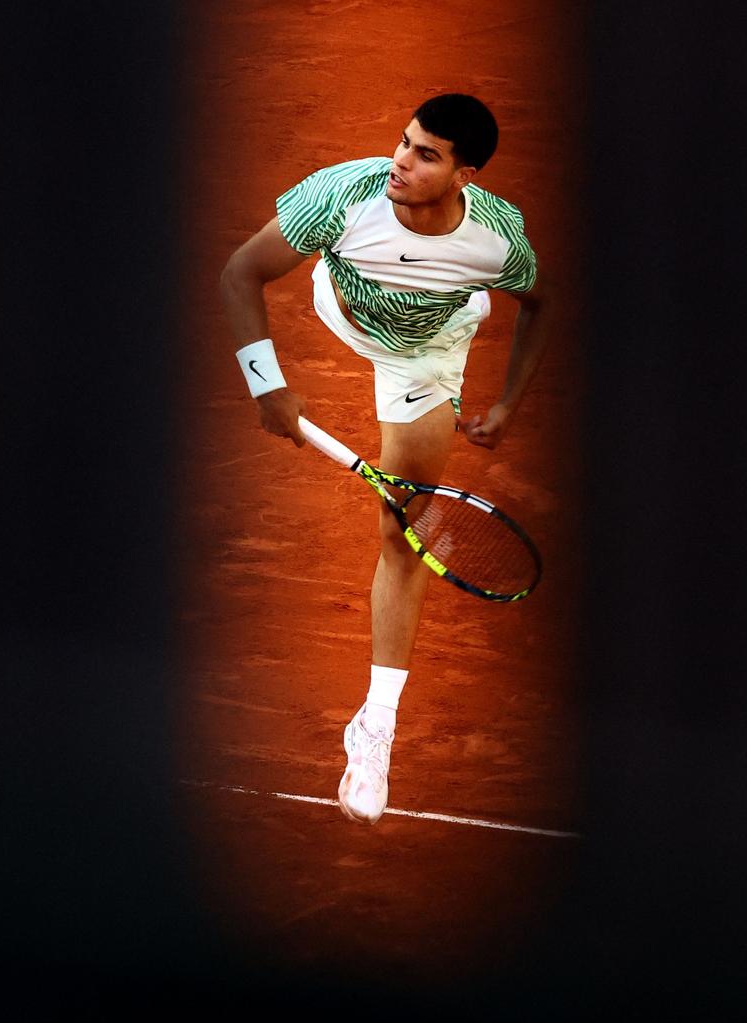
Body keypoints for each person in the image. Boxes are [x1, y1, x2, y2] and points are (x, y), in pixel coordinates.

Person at [217, 92, 551, 824]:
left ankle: (375, 727)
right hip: (347, 309)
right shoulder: (343, 197)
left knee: (406, 529)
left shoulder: (499, 243)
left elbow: (538, 303)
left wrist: (505, 407)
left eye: (426, 154)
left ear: (465, 175)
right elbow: (240, 273)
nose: (400, 160)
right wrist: (265, 385)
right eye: (404, 141)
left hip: (427, 357)